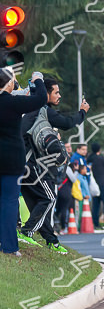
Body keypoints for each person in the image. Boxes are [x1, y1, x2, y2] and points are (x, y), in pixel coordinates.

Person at [18, 77, 87, 254]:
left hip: (18, 164)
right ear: (45, 93)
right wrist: (82, 112)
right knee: (49, 198)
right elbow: (67, 123)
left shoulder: (25, 107)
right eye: (56, 92)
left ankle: (51, 240)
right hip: (29, 164)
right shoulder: (41, 109)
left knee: (38, 202)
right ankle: (26, 232)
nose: (59, 95)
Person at [0, 69, 47, 257]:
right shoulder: (13, 103)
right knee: (9, 201)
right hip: (11, 159)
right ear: (9, 83)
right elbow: (41, 99)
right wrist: (38, 79)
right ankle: (9, 247)